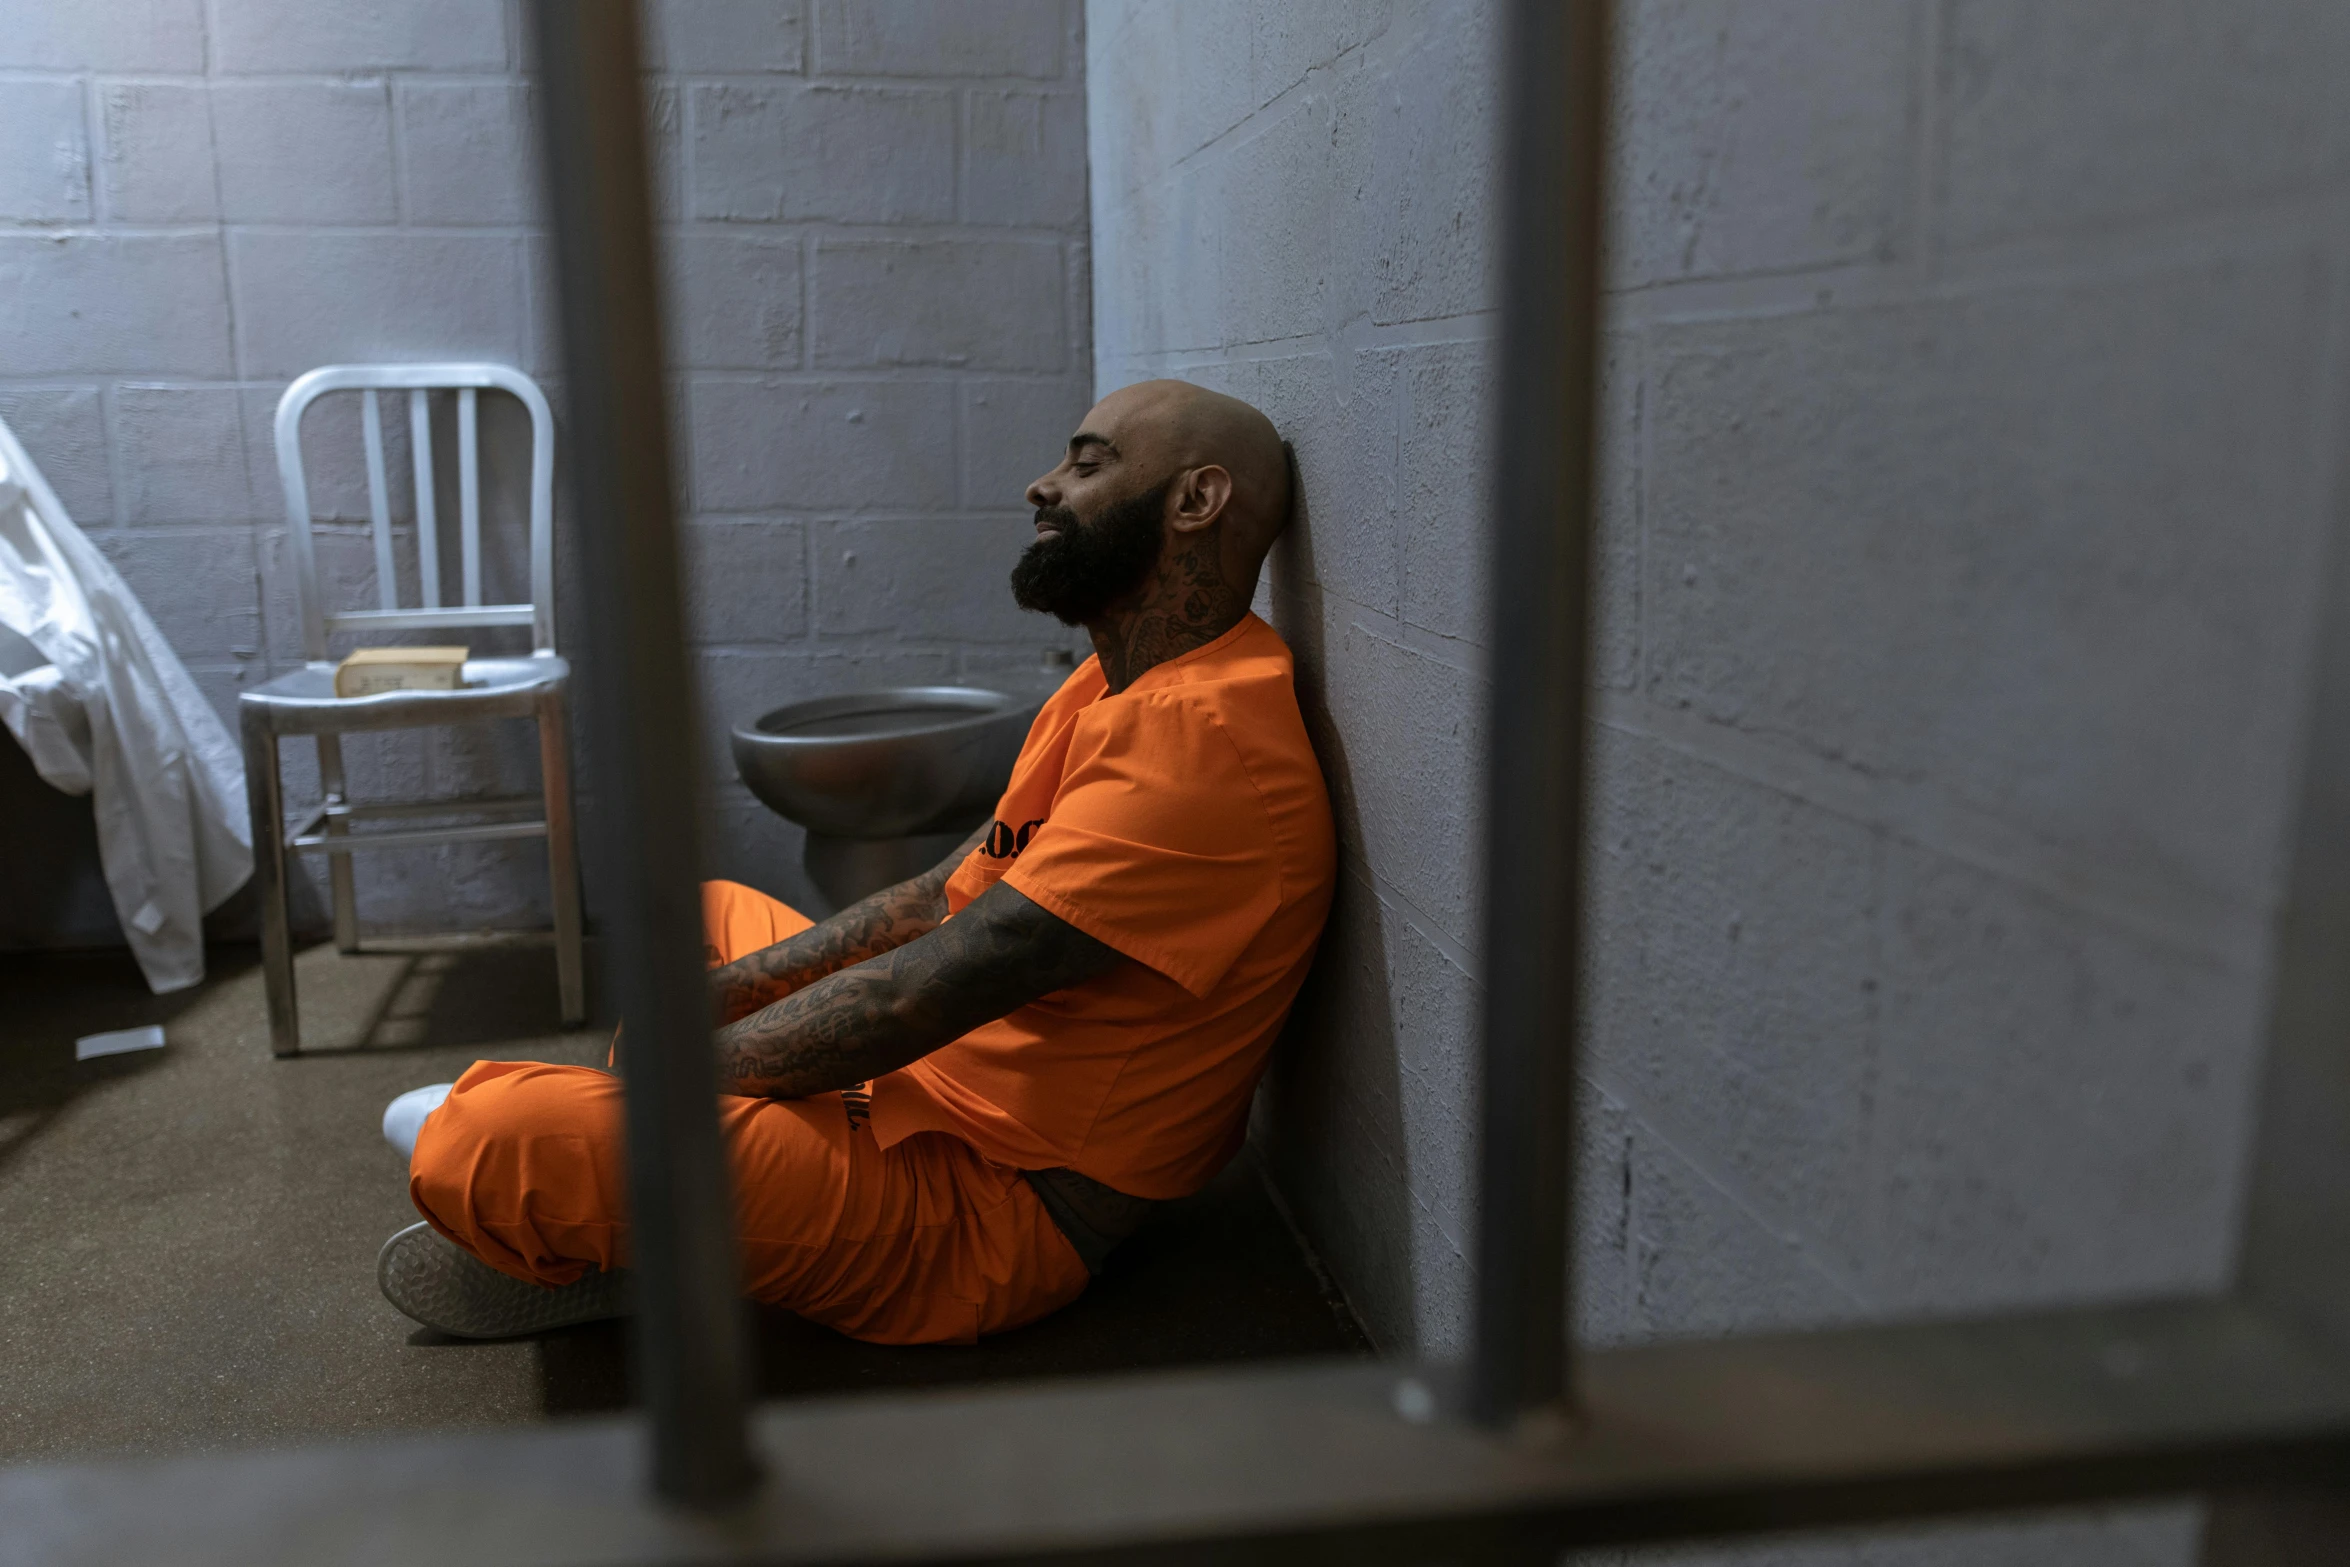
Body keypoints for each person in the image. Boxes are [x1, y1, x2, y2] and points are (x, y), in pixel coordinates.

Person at [378, 380, 1337, 1344]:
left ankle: (650, 1219)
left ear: (1194, 502)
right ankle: (682, 1218)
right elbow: (938, 897)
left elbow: (904, 1001)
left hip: (988, 1203)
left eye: (1088, 465)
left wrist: (669, 1079)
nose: (1041, 485)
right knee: (702, 913)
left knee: (479, 1137)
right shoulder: (1118, 679)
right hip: (925, 1085)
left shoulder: (1201, 746)